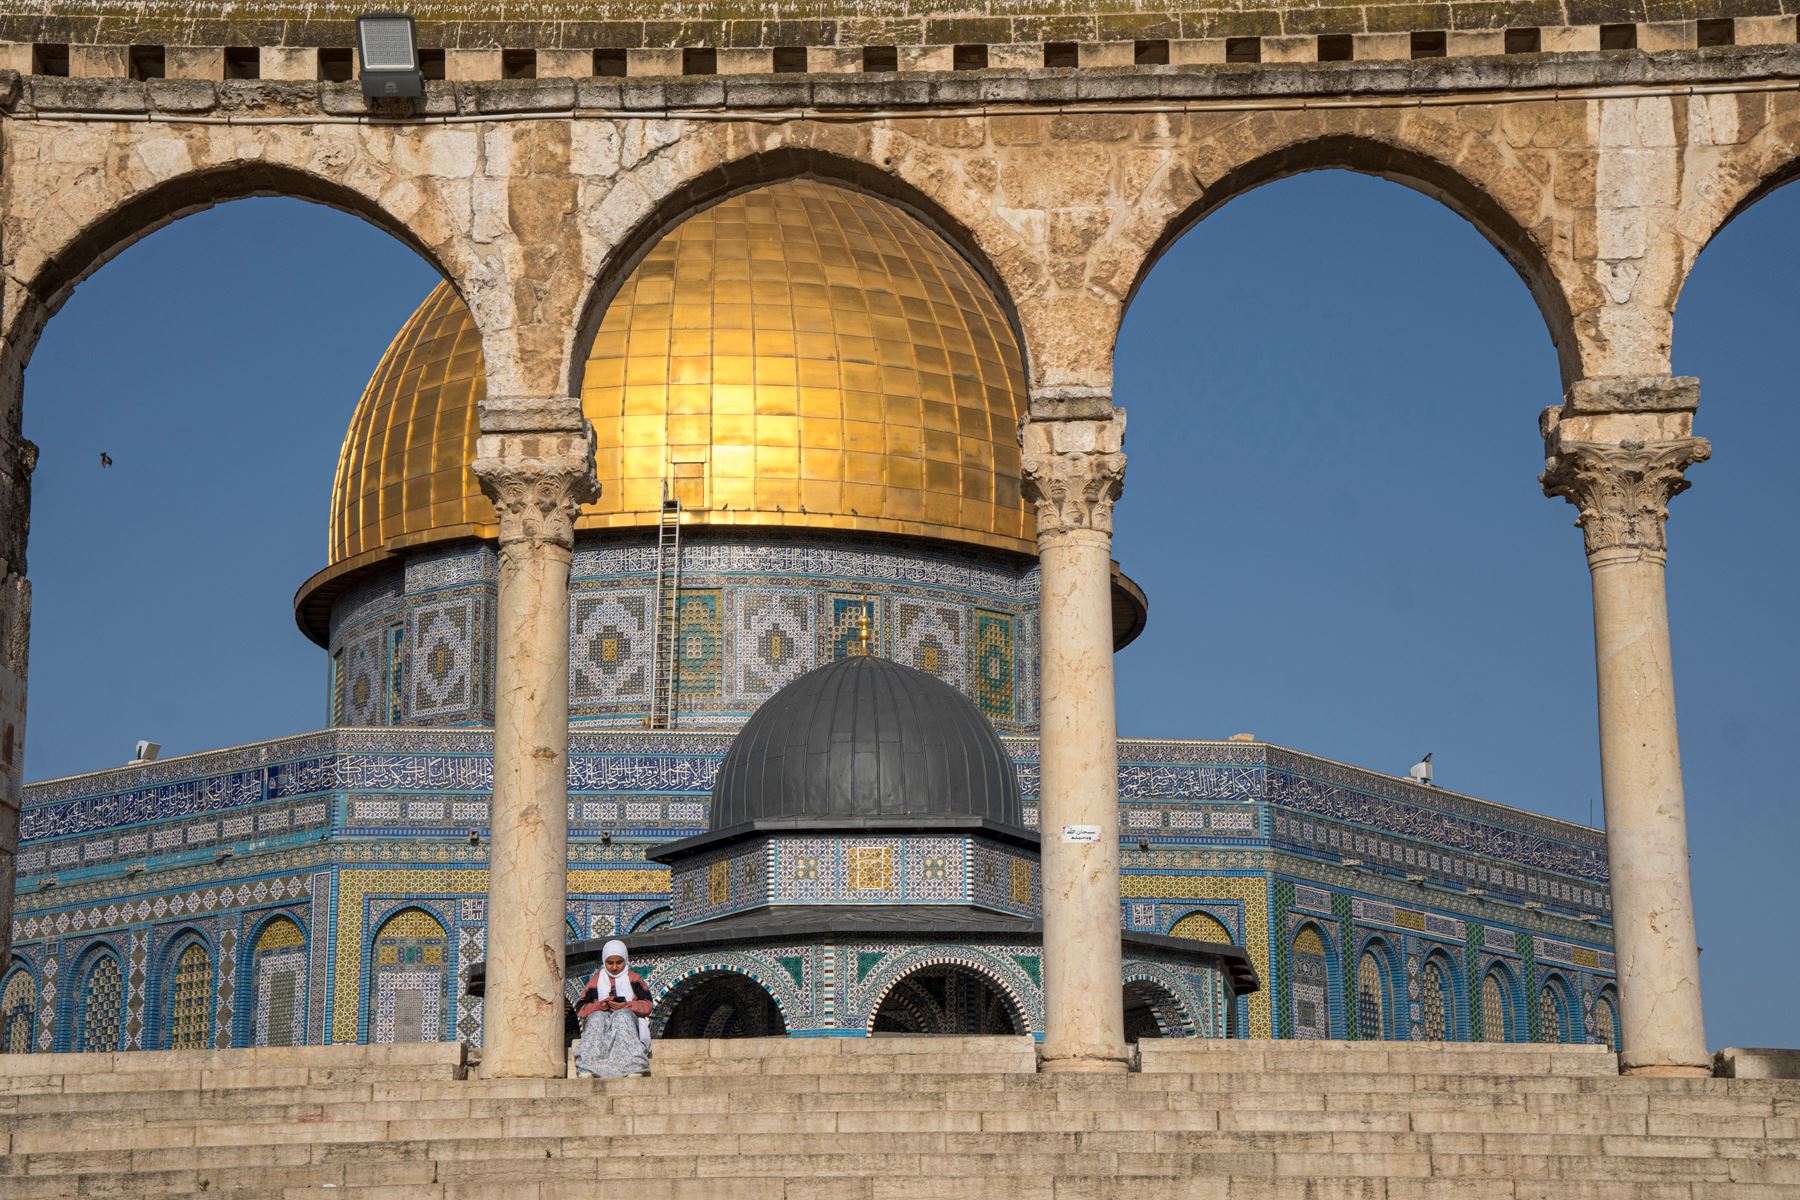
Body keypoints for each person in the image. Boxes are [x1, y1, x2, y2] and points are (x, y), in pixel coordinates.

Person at [573, 939, 652, 1078]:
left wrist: (626, 1005)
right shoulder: (595, 981)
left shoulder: (634, 979)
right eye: (610, 963)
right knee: (597, 1018)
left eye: (619, 962)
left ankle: (633, 1066)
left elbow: (647, 1005)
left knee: (622, 1016)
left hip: (626, 1018)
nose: (614, 967)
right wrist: (599, 1006)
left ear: (625, 960)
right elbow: (581, 1008)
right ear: (604, 961)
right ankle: (588, 1067)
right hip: (601, 1019)